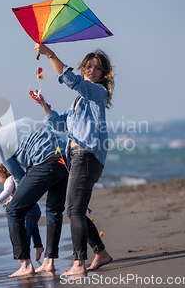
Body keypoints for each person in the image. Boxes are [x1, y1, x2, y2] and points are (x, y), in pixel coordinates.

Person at [34, 43, 114, 276]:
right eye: (88, 67)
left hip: (87, 156)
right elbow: (60, 124)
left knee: (74, 211)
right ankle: (101, 253)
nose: (91, 70)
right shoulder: (79, 101)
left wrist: (50, 54)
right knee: (74, 209)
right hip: (77, 156)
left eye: (96, 68)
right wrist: (43, 105)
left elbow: (74, 82)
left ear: (102, 75)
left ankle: (79, 264)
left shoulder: (97, 92)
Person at [0, 111, 68, 277]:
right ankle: (49, 262)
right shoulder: (22, 121)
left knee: (13, 211)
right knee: (53, 211)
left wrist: (22, 202)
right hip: (64, 160)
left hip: (45, 164)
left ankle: (25, 265)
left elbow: (18, 176)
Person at [0, 161, 44, 262]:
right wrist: (9, 201)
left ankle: (25, 252)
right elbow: (17, 194)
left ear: (2, 174)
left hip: (29, 211)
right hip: (34, 209)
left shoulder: (9, 180)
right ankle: (39, 247)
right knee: (34, 230)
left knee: (26, 231)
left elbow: (7, 191)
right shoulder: (15, 179)